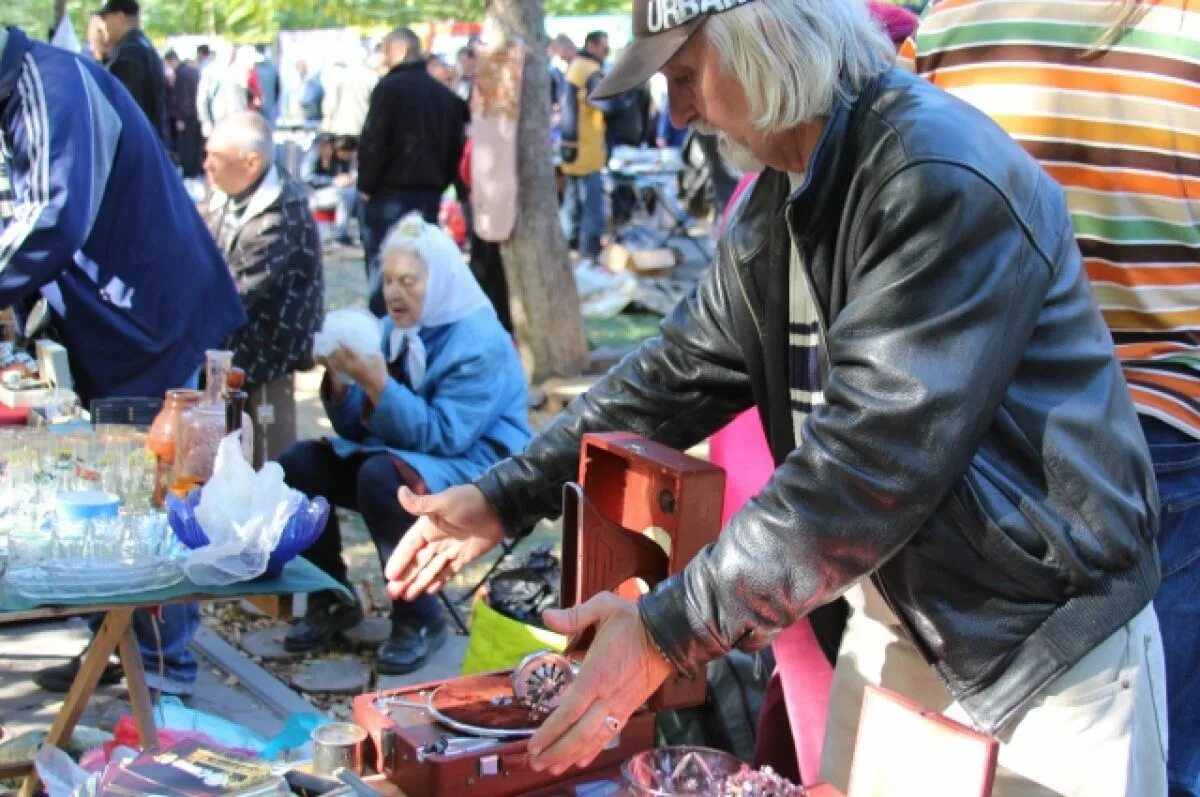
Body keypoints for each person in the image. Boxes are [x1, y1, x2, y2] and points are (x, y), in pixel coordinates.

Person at [382, 1, 1167, 794]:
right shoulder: (784, 196)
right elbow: (672, 374)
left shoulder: (934, 173)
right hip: (902, 616)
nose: (679, 110)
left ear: (764, 42)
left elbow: (869, 464)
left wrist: (667, 631)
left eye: (685, 75)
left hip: (1042, 647)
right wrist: (501, 495)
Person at [906, 3, 1199, 794]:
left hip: (974, 435)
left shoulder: (951, 25)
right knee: (1155, 753)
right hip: (1158, 435)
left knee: (978, 751)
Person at [0, 25, 245, 696]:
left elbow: (50, 217)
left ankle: (166, 669)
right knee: (108, 486)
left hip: (155, 315)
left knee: (156, 489)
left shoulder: (50, 85)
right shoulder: (24, 94)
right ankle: (118, 644)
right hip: (117, 316)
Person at [278, 212, 530, 674]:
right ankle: (330, 595)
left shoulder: (480, 341)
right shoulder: (395, 330)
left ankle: (420, 616)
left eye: (408, 281)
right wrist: (341, 384)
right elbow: (358, 431)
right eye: (388, 280)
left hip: (483, 464)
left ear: (439, 282)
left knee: (382, 477)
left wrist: (378, 386)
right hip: (420, 455)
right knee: (299, 464)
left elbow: (446, 436)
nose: (394, 293)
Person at [200, 111, 324, 467]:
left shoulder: (281, 214)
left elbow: (234, 293)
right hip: (233, 346)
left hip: (267, 355)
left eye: (215, 157)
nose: (206, 165)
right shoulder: (224, 193)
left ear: (251, 163)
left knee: (268, 461)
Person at [357, 28, 468, 317]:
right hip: (426, 192)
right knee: (414, 270)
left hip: (390, 194)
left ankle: (388, 336)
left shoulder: (390, 89)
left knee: (387, 271)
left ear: (401, 50)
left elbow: (374, 141)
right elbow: (455, 149)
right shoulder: (444, 96)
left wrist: (366, 184)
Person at [559, 30, 614, 261]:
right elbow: (604, 103)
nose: (606, 52)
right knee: (591, 206)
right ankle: (589, 251)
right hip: (587, 150)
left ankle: (566, 247)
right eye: (603, 47)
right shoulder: (590, 70)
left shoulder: (576, 66)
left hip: (573, 148)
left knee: (572, 204)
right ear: (591, 45)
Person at [96, 0, 165, 138]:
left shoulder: (129, 53)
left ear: (119, 17)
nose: (105, 25)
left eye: (106, 18)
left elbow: (127, 108)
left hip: (136, 143)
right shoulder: (144, 45)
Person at [164, 49, 203, 178]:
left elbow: (183, 98)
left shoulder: (181, 75)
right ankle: (196, 168)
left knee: (187, 145)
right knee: (195, 144)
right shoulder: (192, 71)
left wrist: (181, 117)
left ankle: (190, 170)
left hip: (186, 116)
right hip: (196, 113)